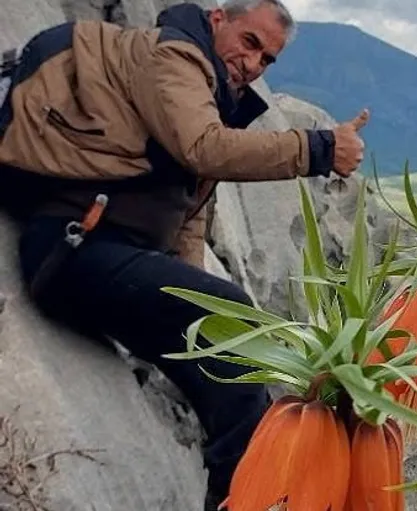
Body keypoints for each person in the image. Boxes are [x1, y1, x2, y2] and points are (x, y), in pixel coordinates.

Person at [0, 0, 368, 509]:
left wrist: (195, 305)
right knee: (233, 318)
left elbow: (187, 223)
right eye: (250, 42)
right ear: (218, 19)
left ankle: (241, 493)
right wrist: (320, 148)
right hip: (70, 248)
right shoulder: (173, 57)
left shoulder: (209, 93)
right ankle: (245, 495)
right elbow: (204, 148)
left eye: (267, 59)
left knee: (230, 369)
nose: (253, 64)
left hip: (107, 258)